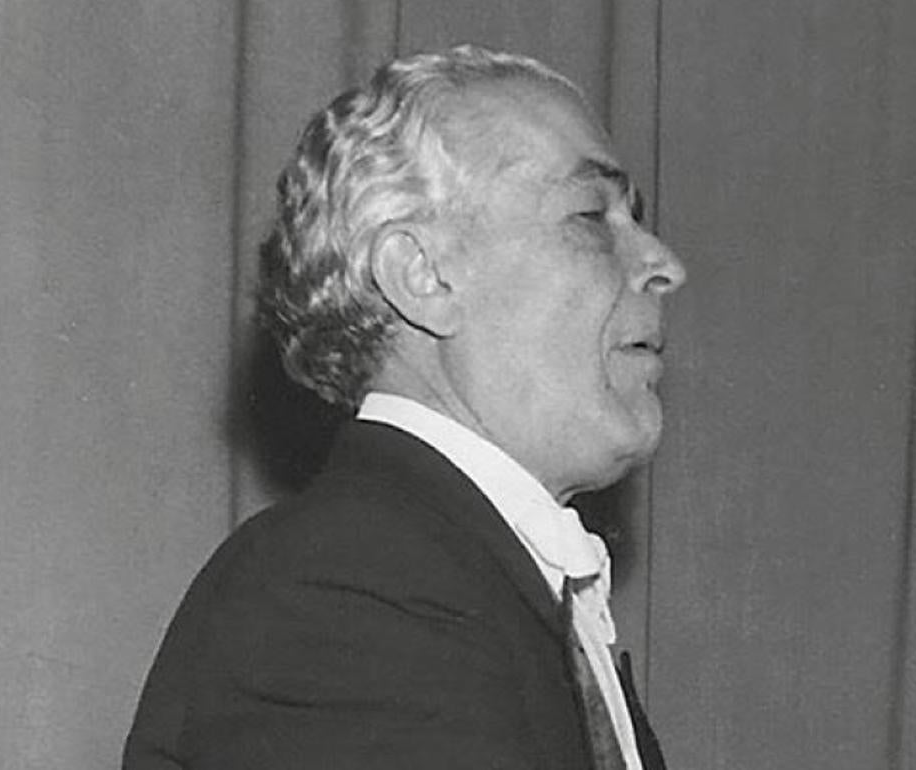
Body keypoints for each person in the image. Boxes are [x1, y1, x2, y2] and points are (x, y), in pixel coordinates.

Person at [123, 44, 686, 770]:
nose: (662, 262)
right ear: (422, 275)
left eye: (634, 217)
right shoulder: (349, 588)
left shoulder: (468, 584)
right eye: (589, 215)